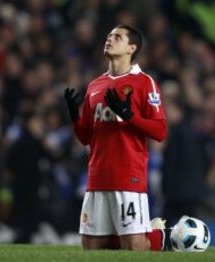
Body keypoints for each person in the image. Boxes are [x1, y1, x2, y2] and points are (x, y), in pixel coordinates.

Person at [63, 24, 170, 251]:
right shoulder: (95, 85)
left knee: (133, 246)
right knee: (91, 246)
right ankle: (145, 231)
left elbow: (160, 131)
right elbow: (86, 138)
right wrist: (75, 117)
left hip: (128, 177)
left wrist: (129, 115)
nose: (110, 39)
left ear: (131, 48)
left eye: (117, 37)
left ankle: (161, 238)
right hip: (97, 177)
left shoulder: (144, 82)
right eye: (109, 35)